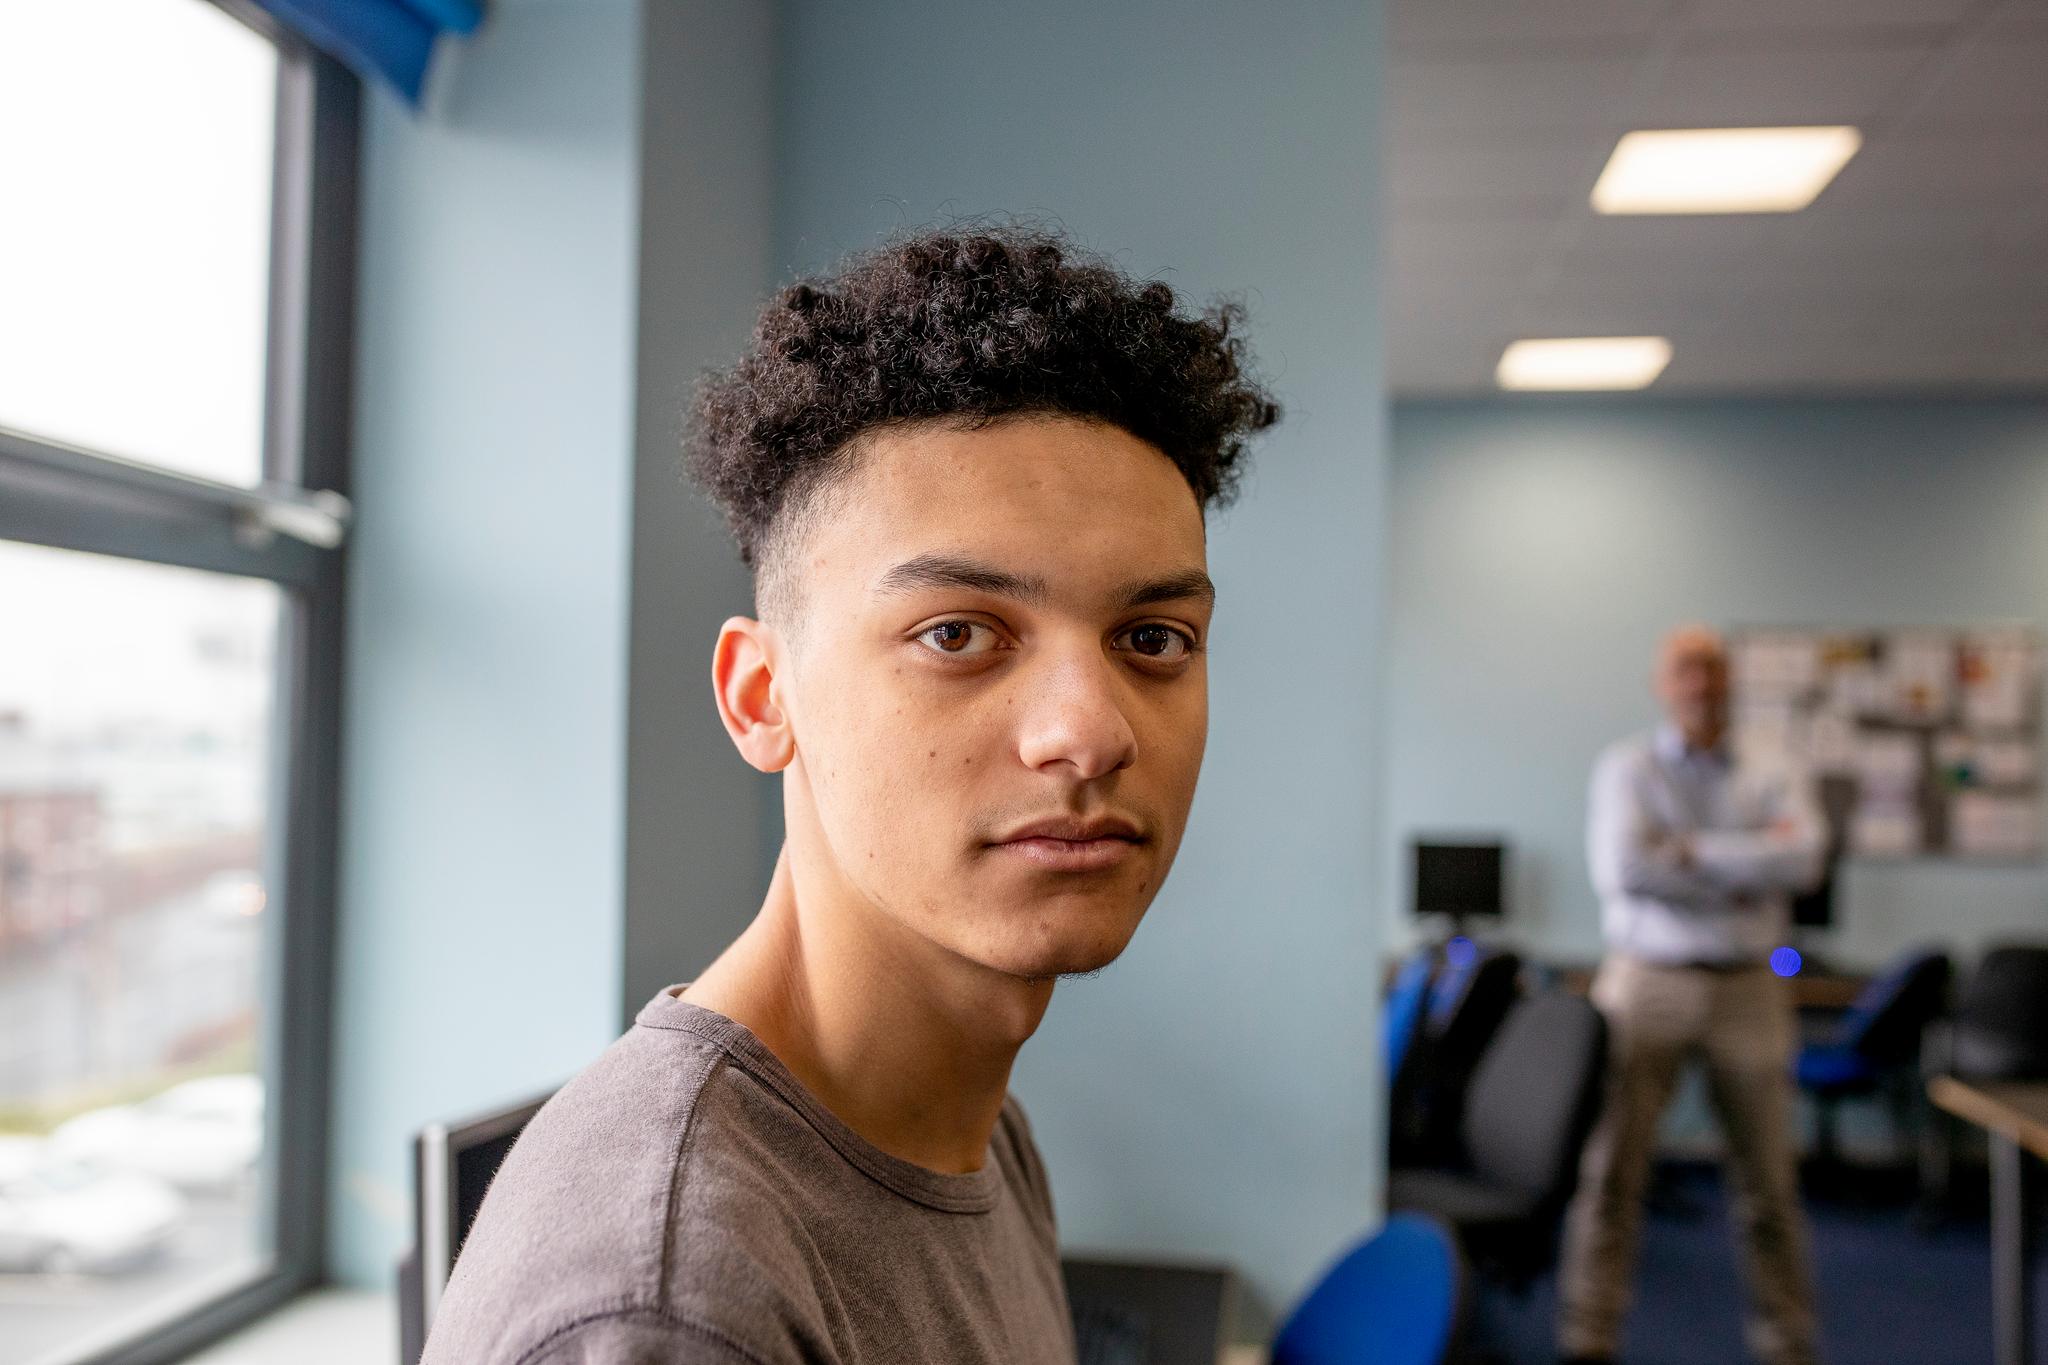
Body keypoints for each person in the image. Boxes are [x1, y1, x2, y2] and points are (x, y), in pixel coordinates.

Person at [420, 226, 1279, 1364]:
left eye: (1154, 637)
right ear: (761, 697)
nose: (1090, 731)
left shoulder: (977, 1133)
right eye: (959, 633)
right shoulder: (668, 1310)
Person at [1556, 625, 1826, 1365]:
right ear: (1662, 683)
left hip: (1750, 986)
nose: (1701, 683)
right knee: (1611, 1174)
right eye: (1686, 670)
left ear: (1730, 679)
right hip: (1647, 980)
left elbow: (1803, 860)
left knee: (1770, 1184)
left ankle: (1788, 1342)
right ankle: (1588, 1337)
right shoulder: (1628, 767)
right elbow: (1626, 872)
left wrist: (1691, 849)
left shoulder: (1774, 763)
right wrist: (1748, 861)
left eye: (1712, 668)